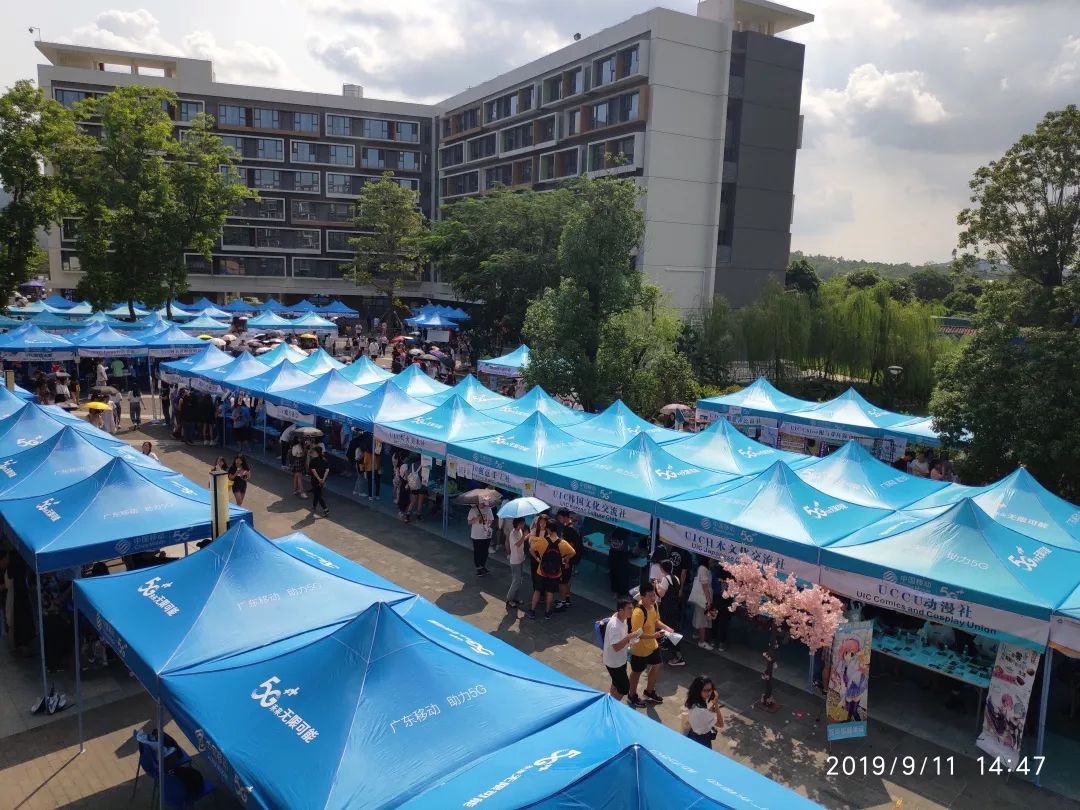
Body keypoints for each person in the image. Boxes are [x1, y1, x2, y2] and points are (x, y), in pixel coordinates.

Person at [627, 582, 683, 709]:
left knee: (657, 665)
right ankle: (632, 695)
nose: (653, 598)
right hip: (640, 649)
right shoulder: (638, 612)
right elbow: (636, 634)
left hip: (652, 645)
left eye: (654, 595)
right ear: (642, 597)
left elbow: (656, 621)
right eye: (650, 596)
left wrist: (667, 628)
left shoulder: (654, 605)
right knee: (636, 673)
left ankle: (649, 691)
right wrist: (654, 636)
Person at [526, 522, 575, 620]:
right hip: (555, 573)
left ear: (548, 529)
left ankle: (532, 611)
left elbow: (531, 549)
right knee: (550, 592)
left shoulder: (542, 541)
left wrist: (537, 558)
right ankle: (547, 613)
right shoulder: (563, 543)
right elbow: (573, 552)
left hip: (541, 571)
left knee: (537, 591)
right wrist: (565, 559)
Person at [603, 598, 643, 701]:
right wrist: (629, 637)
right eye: (629, 609)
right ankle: (612, 706)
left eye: (632, 608)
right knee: (624, 688)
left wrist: (630, 640)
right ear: (621, 611)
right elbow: (616, 647)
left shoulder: (623, 618)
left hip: (620, 660)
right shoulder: (615, 626)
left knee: (616, 682)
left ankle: (610, 698)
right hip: (614, 663)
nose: (632, 611)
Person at [683, 676, 724, 747]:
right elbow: (720, 724)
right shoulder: (702, 711)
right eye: (705, 690)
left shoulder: (691, 700)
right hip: (702, 740)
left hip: (692, 733)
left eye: (710, 689)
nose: (709, 693)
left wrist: (709, 711)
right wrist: (716, 704)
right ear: (698, 690)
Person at [555, 509, 582, 610]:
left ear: (566, 517)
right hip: (570, 559)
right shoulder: (570, 527)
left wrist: (566, 559)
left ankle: (562, 602)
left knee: (563, 581)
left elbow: (571, 546)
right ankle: (566, 599)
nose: (559, 520)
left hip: (567, 559)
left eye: (560, 518)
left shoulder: (569, 529)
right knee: (567, 580)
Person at [690, 556, 714, 649]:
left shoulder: (703, 569)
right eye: (711, 558)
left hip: (702, 598)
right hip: (703, 599)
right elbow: (705, 586)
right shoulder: (703, 569)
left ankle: (696, 634)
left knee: (698, 617)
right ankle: (702, 641)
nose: (713, 560)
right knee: (702, 620)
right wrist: (708, 601)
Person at [468, 499, 496, 577]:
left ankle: (482, 566)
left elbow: (491, 520)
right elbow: (469, 522)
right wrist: (477, 519)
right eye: (481, 502)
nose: (483, 503)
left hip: (486, 535)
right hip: (476, 535)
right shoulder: (473, 510)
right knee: (477, 551)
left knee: (485, 551)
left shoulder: (488, 509)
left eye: (484, 502)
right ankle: (478, 567)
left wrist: (488, 523)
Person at [505, 517, 528, 609]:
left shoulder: (520, 531)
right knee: (516, 581)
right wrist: (524, 536)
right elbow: (518, 544)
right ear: (518, 524)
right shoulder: (513, 533)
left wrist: (527, 536)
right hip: (515, 561)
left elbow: (522, 540)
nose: (524, 525)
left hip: (520, 559)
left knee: (519, 580)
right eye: (522, 523)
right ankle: (509, 599)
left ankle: (515, 598)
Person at [608, 526, 632, 596]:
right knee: (622, 575)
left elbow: (608, 540)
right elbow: (632, 544)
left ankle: (615, 591)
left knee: (614, 573)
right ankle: (621, 593)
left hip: (613, 554)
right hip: (622, 556)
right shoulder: (627, 534)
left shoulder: (614, 532)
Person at [308, 445, 330, 516]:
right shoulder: (324, 460)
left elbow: (314, 471)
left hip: (315, 480)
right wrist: (323, 479)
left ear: (316, 452)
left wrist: (319, 479)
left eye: (313, 451)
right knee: (316, 493)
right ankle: (314, 506)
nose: (312, 453)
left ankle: (326, 509)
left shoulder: (313, 461)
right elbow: (327, 470)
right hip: (322, 481)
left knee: (318, 495)